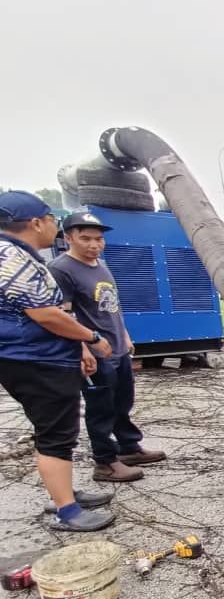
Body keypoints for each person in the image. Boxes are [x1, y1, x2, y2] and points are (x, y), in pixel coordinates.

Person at [0, 191, 115, 531]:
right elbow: (46, 314)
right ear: (36, 222)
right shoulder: (11, 258)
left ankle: (64, 492)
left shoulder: (19, 255)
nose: (54, 226)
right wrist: (90, 338)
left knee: (54, 431)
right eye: (52, 219)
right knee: (56, 434)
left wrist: (76, 348)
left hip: (37, 357)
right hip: (36, 359)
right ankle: (67, 511)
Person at [48, 211, 166, 482]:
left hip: (116, 347)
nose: (94, 245)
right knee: (100, 407)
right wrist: (83, 349)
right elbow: (64, 315)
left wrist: (124, 335)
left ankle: (129, 447)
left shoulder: (100, 265)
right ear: (68, 238)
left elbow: (112, 304)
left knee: (122, 401)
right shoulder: (61, 269)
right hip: (93, 351)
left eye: (98, 239)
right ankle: (105, 462)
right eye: (86, 239)